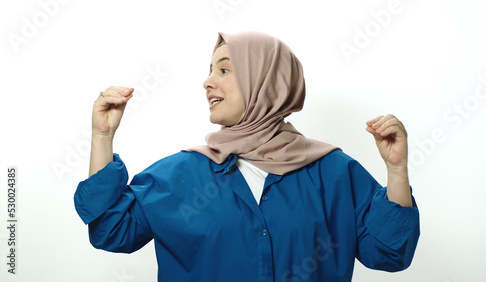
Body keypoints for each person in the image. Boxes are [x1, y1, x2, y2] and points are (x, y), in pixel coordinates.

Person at [74, 31, 419, 282]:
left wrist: (397, 169)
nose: (207, 82)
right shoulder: (178, 175)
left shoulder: (334, 173)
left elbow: (389, 253)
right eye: (210, 70)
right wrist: (102, 136)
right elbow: (111, 230)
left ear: (267, 82)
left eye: (224, 70)